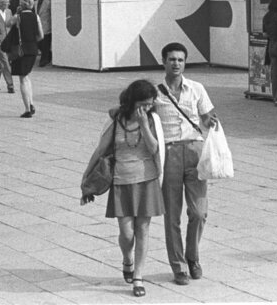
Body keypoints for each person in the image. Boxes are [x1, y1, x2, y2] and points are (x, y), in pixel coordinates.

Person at [82, 79, 165, 298]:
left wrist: (145, 124)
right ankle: (127, 259)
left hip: (147, 180)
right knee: (127, 233)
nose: (146, 108)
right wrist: (86, 176)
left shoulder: (152, 120)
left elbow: (155, 148)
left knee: (143, 230)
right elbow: (101, 149)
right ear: (131, 102)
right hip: (121, 181)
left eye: (149, 104)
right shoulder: (117, 120)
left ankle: (138, 276)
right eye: (141, 105)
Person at [153, 42, 220, 286]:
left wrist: (210, 121)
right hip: (169, 154)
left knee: (199, 212)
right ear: (163, 61)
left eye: (180, 60)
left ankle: (193, 256)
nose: (176, 64)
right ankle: (179, 266)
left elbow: (207, 115)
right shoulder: (154, 92)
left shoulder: (196, 89)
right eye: (172, 59)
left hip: (194, 151)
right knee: (172, 214)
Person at [13, 0, 42, 118]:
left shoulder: (18, 17)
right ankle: (31, 103)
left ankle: (27, 108)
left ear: (21, 4)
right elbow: (41, 35)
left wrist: (16, 13)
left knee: (23, 79)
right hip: (33, 49)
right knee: (27, 77)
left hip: (21, 50)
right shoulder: (36, 17)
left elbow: (9, 25)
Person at [36, 0, 53, 66]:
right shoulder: (34, 3)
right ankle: (49, 54)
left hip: (46, 26)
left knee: (45, 44)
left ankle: (43, 61)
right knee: (39, 44)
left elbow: (52, 14)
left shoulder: (48, 3)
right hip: (37, 27)